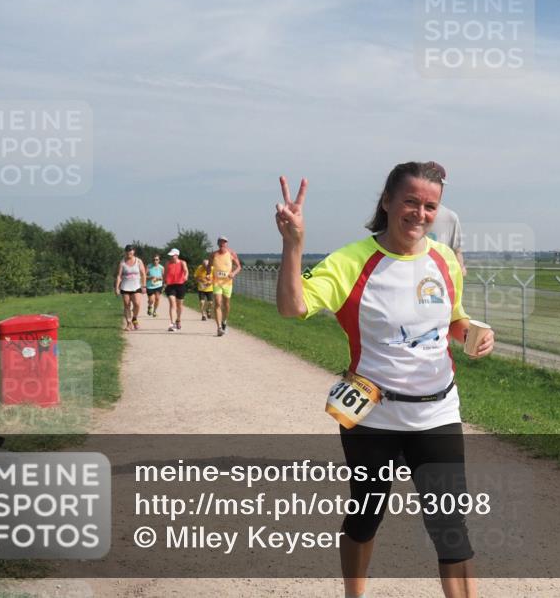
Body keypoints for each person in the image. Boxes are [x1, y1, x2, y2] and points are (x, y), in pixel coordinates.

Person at [275, 163, 494, 598]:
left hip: (438, 411)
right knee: (365, 517)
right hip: (373, 416)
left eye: (429, 205)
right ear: (388, 201)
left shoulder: (444, 259)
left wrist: (471, 332)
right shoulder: (353, 261)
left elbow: (450, 320)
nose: (420, 213)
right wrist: (293, 245)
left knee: (451, 525)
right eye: (410, 201)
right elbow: (291, 307)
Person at [425, 162, 467, 277]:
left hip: (438, 283)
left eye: (438, 184)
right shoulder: (408, 215)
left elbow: (457, 251)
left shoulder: (450, 218)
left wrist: (460, 271)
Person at [210, 236, 241, 337]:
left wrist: (233, 273)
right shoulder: (213, 254)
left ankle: (224, 321)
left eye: (224, 242)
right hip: (217, 282)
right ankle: (219, 328)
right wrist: (207, 273)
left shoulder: (231, 253)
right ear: (218, 243)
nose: (222, 244)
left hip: (227, 283)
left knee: (226, 304)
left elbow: (239, 267)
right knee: (218, 303)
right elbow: (209, 266)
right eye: (221, 242)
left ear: (227, 243)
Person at [114, 245, 146, 331]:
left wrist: (144, 286)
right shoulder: (122, 262)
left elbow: (143, 274)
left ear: (134, 251)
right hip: (125, 287)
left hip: (136, 286)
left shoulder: (138, 261)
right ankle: (128, 324)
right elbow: (119, 276)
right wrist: (117, 287)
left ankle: (134, 318)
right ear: (125, 252)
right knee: (126, 305)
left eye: (131, 251)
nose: (129, 252)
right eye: (127, 251)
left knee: (137, 304)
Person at [163, 248, 189, 332]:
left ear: (177, 255)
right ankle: (172, 323)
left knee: (179, 305)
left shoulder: (182, 262)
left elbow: (186, 271)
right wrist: (164, 282)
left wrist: (185, 276)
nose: (171, 257)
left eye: (172, 255)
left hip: (180, 285)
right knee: (172, 304)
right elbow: (165, 273)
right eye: (170, 255)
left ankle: (178, 319)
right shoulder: (167, 263)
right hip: (170, 285)